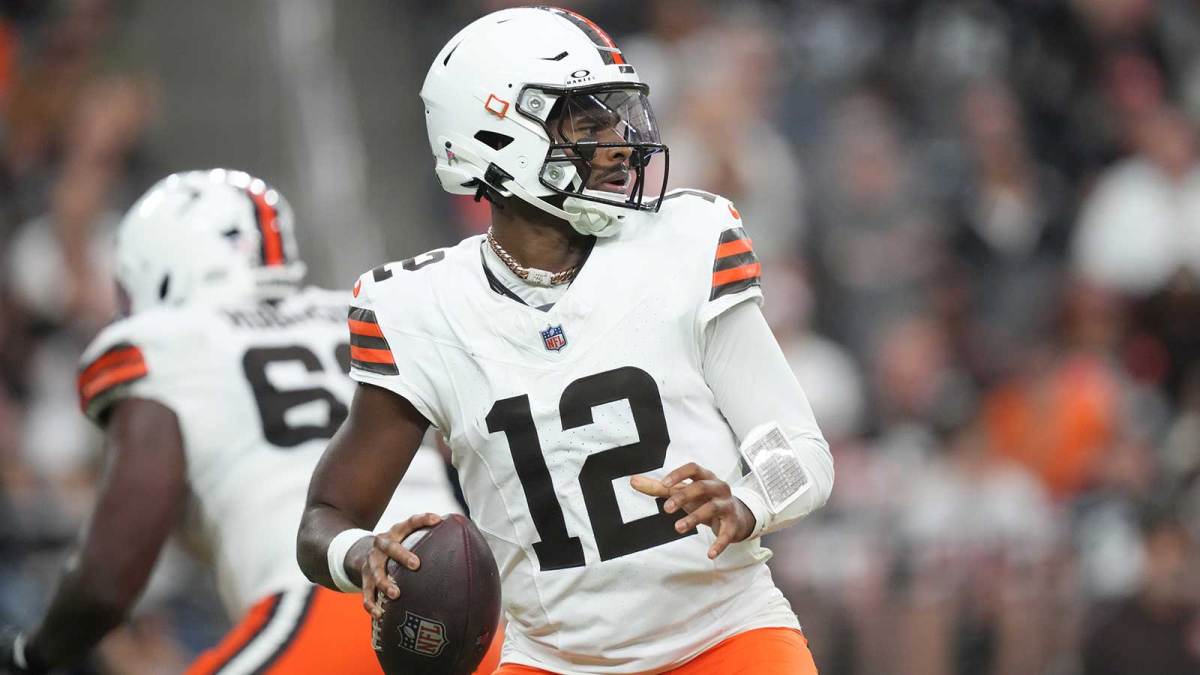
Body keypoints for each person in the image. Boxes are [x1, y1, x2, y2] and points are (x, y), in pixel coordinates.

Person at [297, 7, 834, 674]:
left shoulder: (686, 242)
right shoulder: (421, 308)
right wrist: (360, 555)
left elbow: (802, 452)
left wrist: (746, 503)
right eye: (586, 123)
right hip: (556, 660)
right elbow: (326, 515)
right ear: (493, 134)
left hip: (725, 637)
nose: (616, 144)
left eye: (616, 118)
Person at [0, 169, 487, 674]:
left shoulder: (170, 341)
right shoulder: (360, 310)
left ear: (157, 265)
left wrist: (29, 654)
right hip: (471, 612)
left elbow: (108, 580)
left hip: (320, 607)